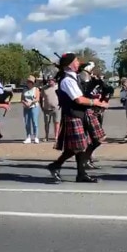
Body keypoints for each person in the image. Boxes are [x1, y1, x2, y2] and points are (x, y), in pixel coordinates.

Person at [47, 53, 108, 183]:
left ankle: (78, 172)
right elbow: (79, 99)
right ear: (70, 64)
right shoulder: (67, 80)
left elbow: (83, 94)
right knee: (78, 147)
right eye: (76, 61)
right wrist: (96, 103)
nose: (78, 63)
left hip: (82, 113)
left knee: (92, 141)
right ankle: (62, 167)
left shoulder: (74, 77)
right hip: (73, 114)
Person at [40, 77, 60, 142]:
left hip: (56, 108)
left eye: (51, 80)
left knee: (56, 122)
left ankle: (56, 136)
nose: (50, 81)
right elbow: (41, 97)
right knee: (46, 123)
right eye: (49, 80)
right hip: (46, 108)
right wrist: (41, 106)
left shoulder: (58, 87)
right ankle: (46, 136)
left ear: (54, 81)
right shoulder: (44, 88)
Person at [21, 75, 40, 144]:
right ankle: (28, 137)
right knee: (27, 123)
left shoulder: (36, 89)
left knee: (34, 122)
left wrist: (31, 102)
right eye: (28, 82)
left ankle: (36, 137)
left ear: (33, 83)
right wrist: (25, 103)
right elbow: (22, 99)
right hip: (26, 107)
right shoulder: (24, 89)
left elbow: (37, 98)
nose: (29, 83)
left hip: (34, 107)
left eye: (30, 82)